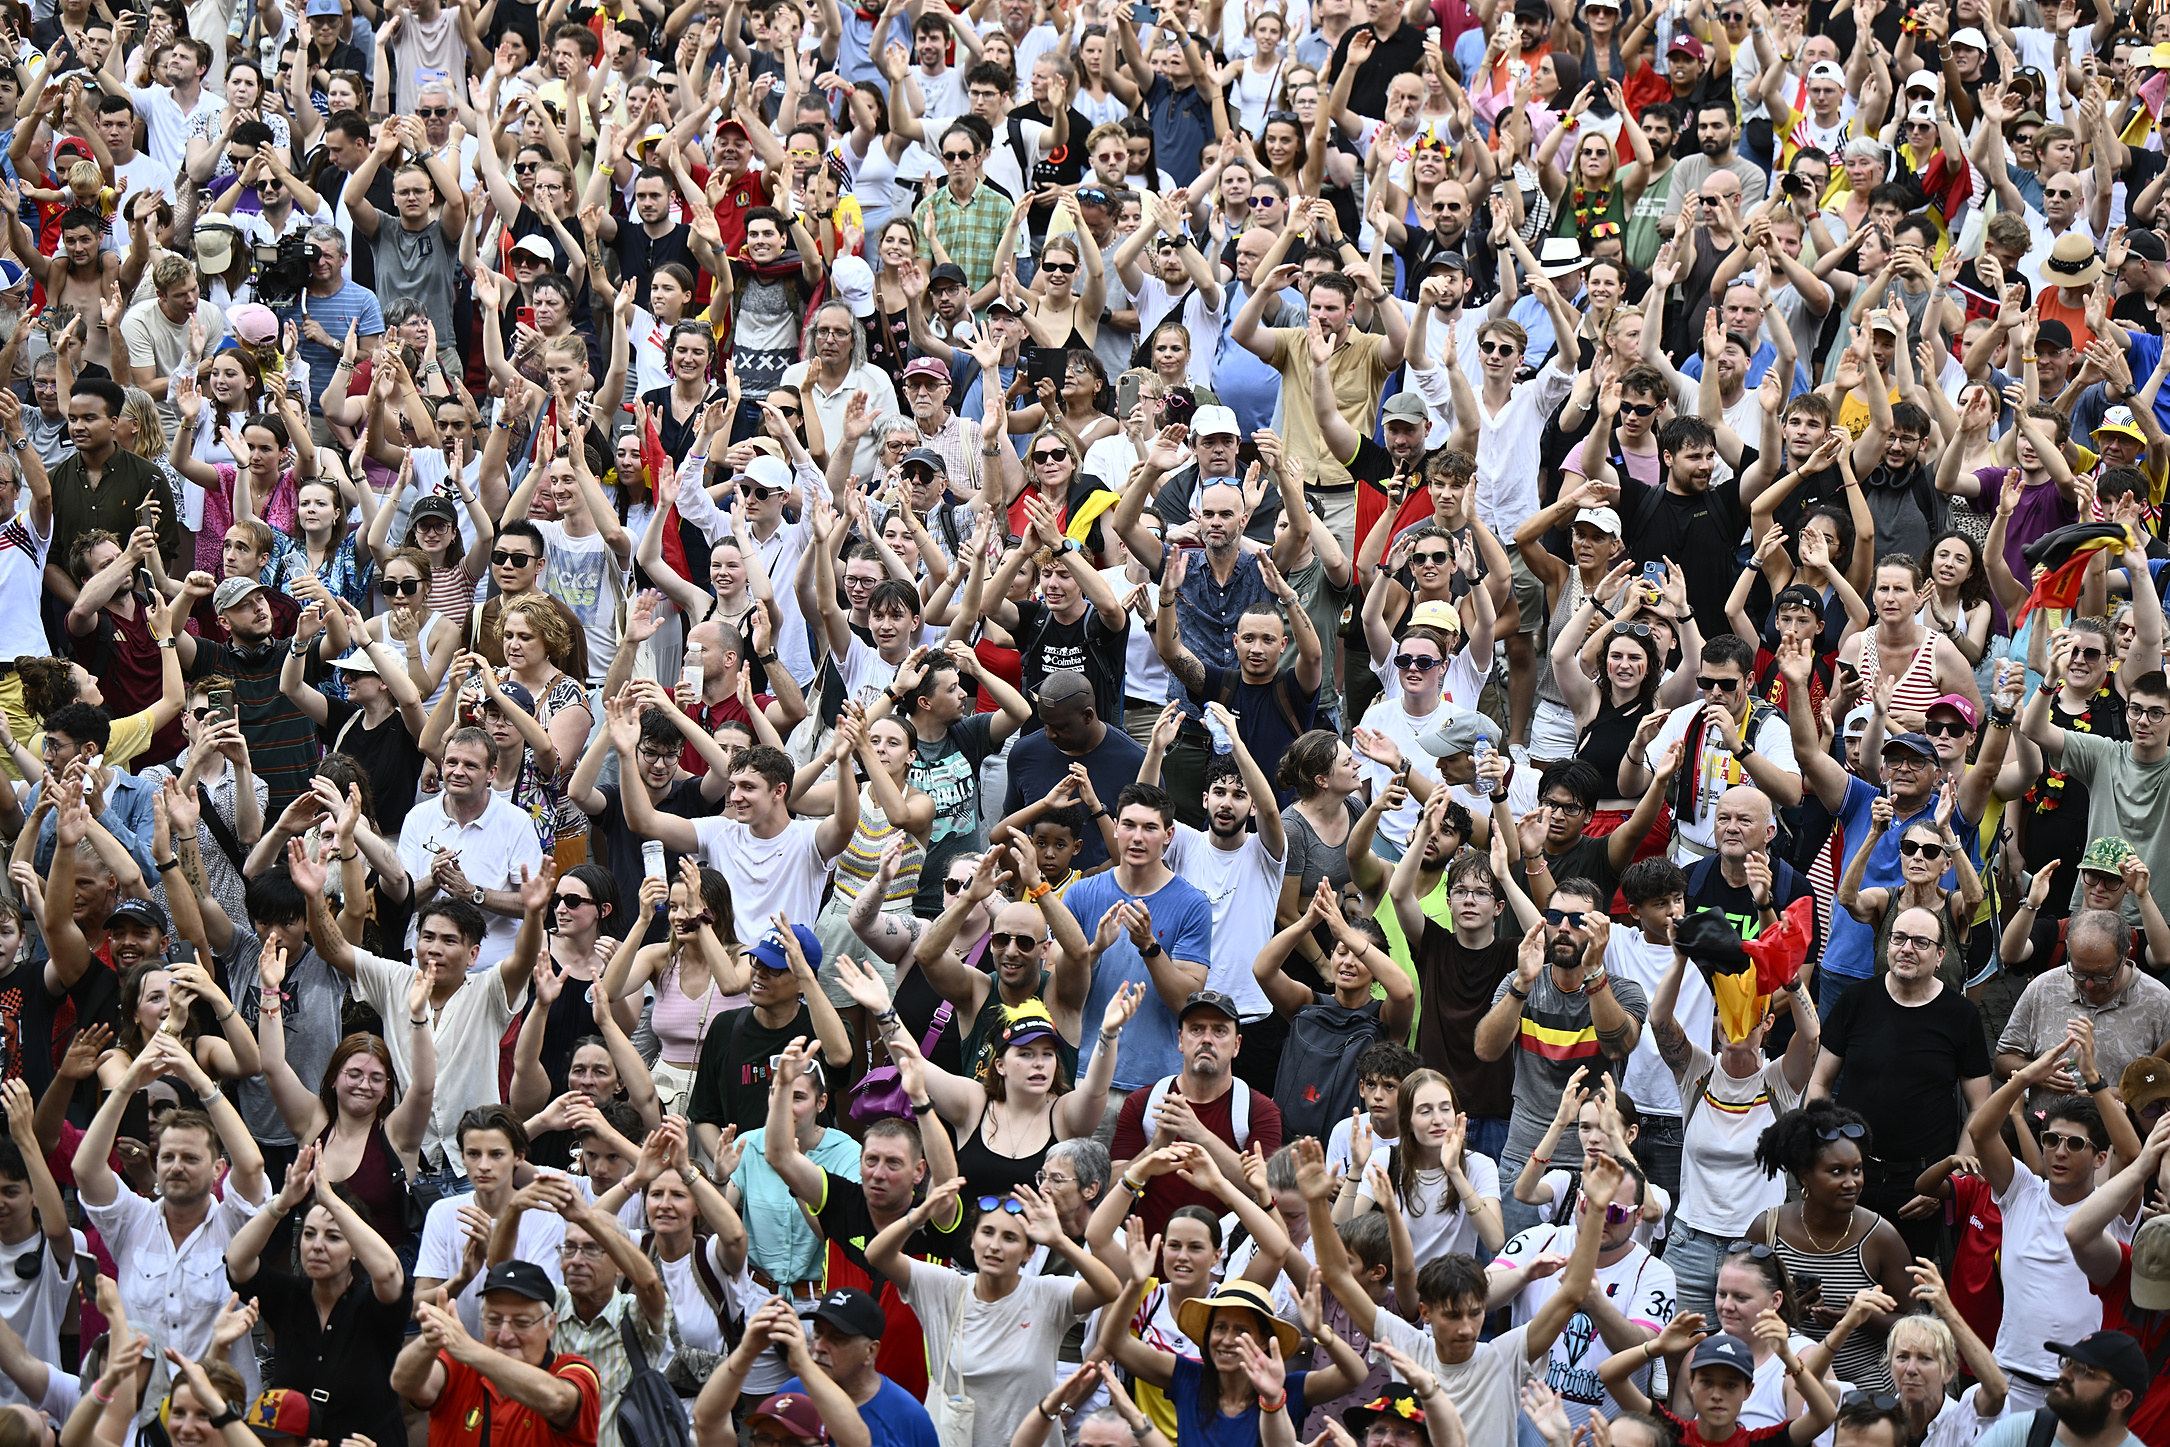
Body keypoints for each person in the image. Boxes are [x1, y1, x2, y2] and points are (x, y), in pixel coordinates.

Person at [1968, 1028, 2136, 1414]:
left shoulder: (2109, 1209)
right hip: (2008, 1383)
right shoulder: (2022, 1190)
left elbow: (2131, 1155)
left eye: (2075, 1144)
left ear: (2099, 1158)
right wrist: (2027, 1076)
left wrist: (2093, 1078)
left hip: (2081, 1390)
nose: (2059, 1152)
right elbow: (1980, 1131)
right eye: (2051, 1140)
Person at [1473, 875, 1649, 1235]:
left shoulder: (1623, 992)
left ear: (1600, 928)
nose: (1563, 927)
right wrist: (1522, 984)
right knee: (1514, 1277)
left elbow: (1618, 1045)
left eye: (1577, 920)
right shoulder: (1519, 983)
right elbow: (1486, 1049)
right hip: (1524, 1160)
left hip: (1596, 1164)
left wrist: (1595, 971)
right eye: (1554, 918)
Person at [223, 1142, 410, 1447]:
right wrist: (282, 1203)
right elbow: (238, 1261)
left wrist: (332, 1201)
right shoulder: (288, 1297)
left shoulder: (374, 1306)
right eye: (309, 1234)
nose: (317, 1245)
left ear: (354, 1249)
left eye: (334, 1236)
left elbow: (389, 1271)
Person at [389, 1260, 601, 1447]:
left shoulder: (573, 1370)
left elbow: (557, 1400)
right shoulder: (460, 1364)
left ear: (551, 1324)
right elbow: (405, 1384)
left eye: (522, 1323)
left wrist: (470, 1349)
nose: (504, 1334)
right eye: (493, 1320)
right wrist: (430, 1341)